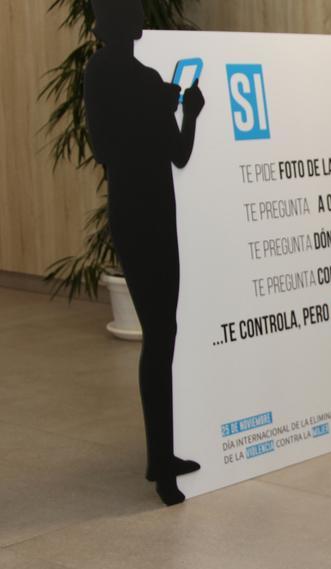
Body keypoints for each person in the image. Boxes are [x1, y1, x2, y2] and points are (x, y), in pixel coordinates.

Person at [84, 0, 205, 506]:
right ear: (134, 26)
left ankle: (162, 456)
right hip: (157, 216)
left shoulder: (97, 74)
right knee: (163, 336)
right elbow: (178, 153)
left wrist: (162, 103)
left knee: (159, 336)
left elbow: (104, 148)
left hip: (129, 215)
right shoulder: (150, 81)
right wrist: (188, 111)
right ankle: (162, 466)